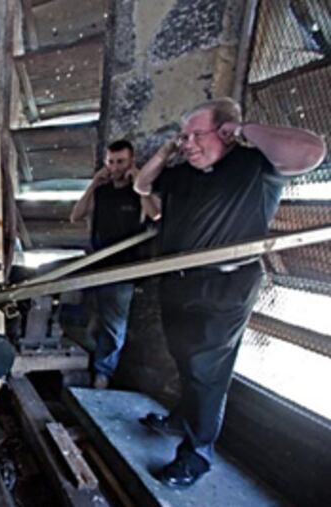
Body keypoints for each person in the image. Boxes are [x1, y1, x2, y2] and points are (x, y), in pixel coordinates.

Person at [133, 97, 326, 488]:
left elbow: (312, 152)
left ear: (225, 132)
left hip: (225, 288)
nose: (188, 143)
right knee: (185, 360)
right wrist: (170, 148)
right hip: (178, 281)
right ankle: (181, 419)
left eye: (196, 135)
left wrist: (244, 130)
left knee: (207, 373)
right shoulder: (184, 172)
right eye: (184, 137)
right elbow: (142, 184)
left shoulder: (254, 168)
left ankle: (197, 456)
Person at [70, 140, 149, 389]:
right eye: (111, 162)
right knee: (84, 314)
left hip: (124, 268)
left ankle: (103, 374)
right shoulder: (102, 192)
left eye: (120, 162)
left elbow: (155, 214)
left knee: (114, 326)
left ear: (131, 162)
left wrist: (140, 182)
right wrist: (94, 183)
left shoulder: (139, 193)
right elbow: (76, 215)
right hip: (96, 264)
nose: (115, 168)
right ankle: (80, 363)